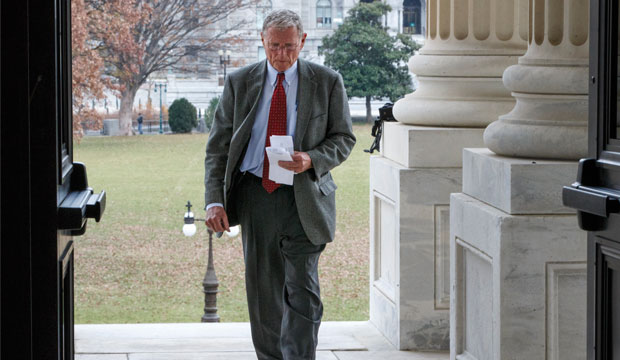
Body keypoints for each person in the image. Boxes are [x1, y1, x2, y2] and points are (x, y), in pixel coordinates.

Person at [203, 9, 355, 360]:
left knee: (303, 292)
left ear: (302, 42)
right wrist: (214, 200)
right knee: (265, 295)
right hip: (256, 196)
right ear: (263, 41)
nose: (282, 54)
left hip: (304, 199)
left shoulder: (327, 81)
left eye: (289, 46)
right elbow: (217, 148)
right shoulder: (239, 82)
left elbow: (343, 138)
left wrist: (312, 159)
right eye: (274, 46)